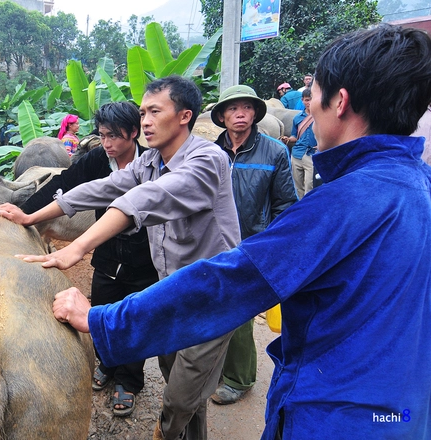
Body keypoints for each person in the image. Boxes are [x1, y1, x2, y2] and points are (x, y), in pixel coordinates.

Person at [52, 24, 431, 440]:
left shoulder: (340, 203)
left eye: (314, 99)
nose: (308, 117)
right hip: (402, 412)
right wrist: (35, 214)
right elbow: (113, 189)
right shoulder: (417, 186)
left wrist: (102, 320)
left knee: (184, 393)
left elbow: (224, 284)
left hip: (334, 417)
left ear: (339, 102)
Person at [0, 76, 241, 440]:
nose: (146, 121)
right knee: (181, 383)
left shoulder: (207, 160)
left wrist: (77, 247)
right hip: (171, 290)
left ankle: (166, 432)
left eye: (155, 111)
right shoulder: (150, 161)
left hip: (211, 296)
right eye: (143, 112)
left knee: (179, 398)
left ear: (185, 116)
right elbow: (104, 187)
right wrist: (32, 217)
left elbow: (142, 200)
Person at [20, 102, 159, 417]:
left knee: (135, 317)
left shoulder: (153, 164)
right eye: (102, 135)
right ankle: (108, 365)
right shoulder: (97, 159)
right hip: (107, 253)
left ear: (134, 133)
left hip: (143, 255)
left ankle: (129, 380)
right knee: (101, 309)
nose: (107, 144)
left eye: (113, 136)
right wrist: (26, 214)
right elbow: (64, 186)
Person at [210, 85, 297, 405]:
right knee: (215, 308)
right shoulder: (212, 152)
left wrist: (273, 248)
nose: (241, 114)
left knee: (240, 314)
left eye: (247, 108)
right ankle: (220, 369)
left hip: (252, 246)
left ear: (256, 114)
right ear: (221, 115)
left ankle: (239, 378)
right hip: (214, 243)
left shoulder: (274, 151)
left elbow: (285, 204)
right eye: (233, 109)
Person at [281, 88, 317, 198]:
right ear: (302, 100)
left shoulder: (319, 117)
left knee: (309, 186)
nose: (308, 103)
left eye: (311, 100)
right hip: (296, 154)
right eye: (306, 100)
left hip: (310, 154)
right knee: (297, 187)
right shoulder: (297, 118)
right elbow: (294, 136)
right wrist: (287, 139)